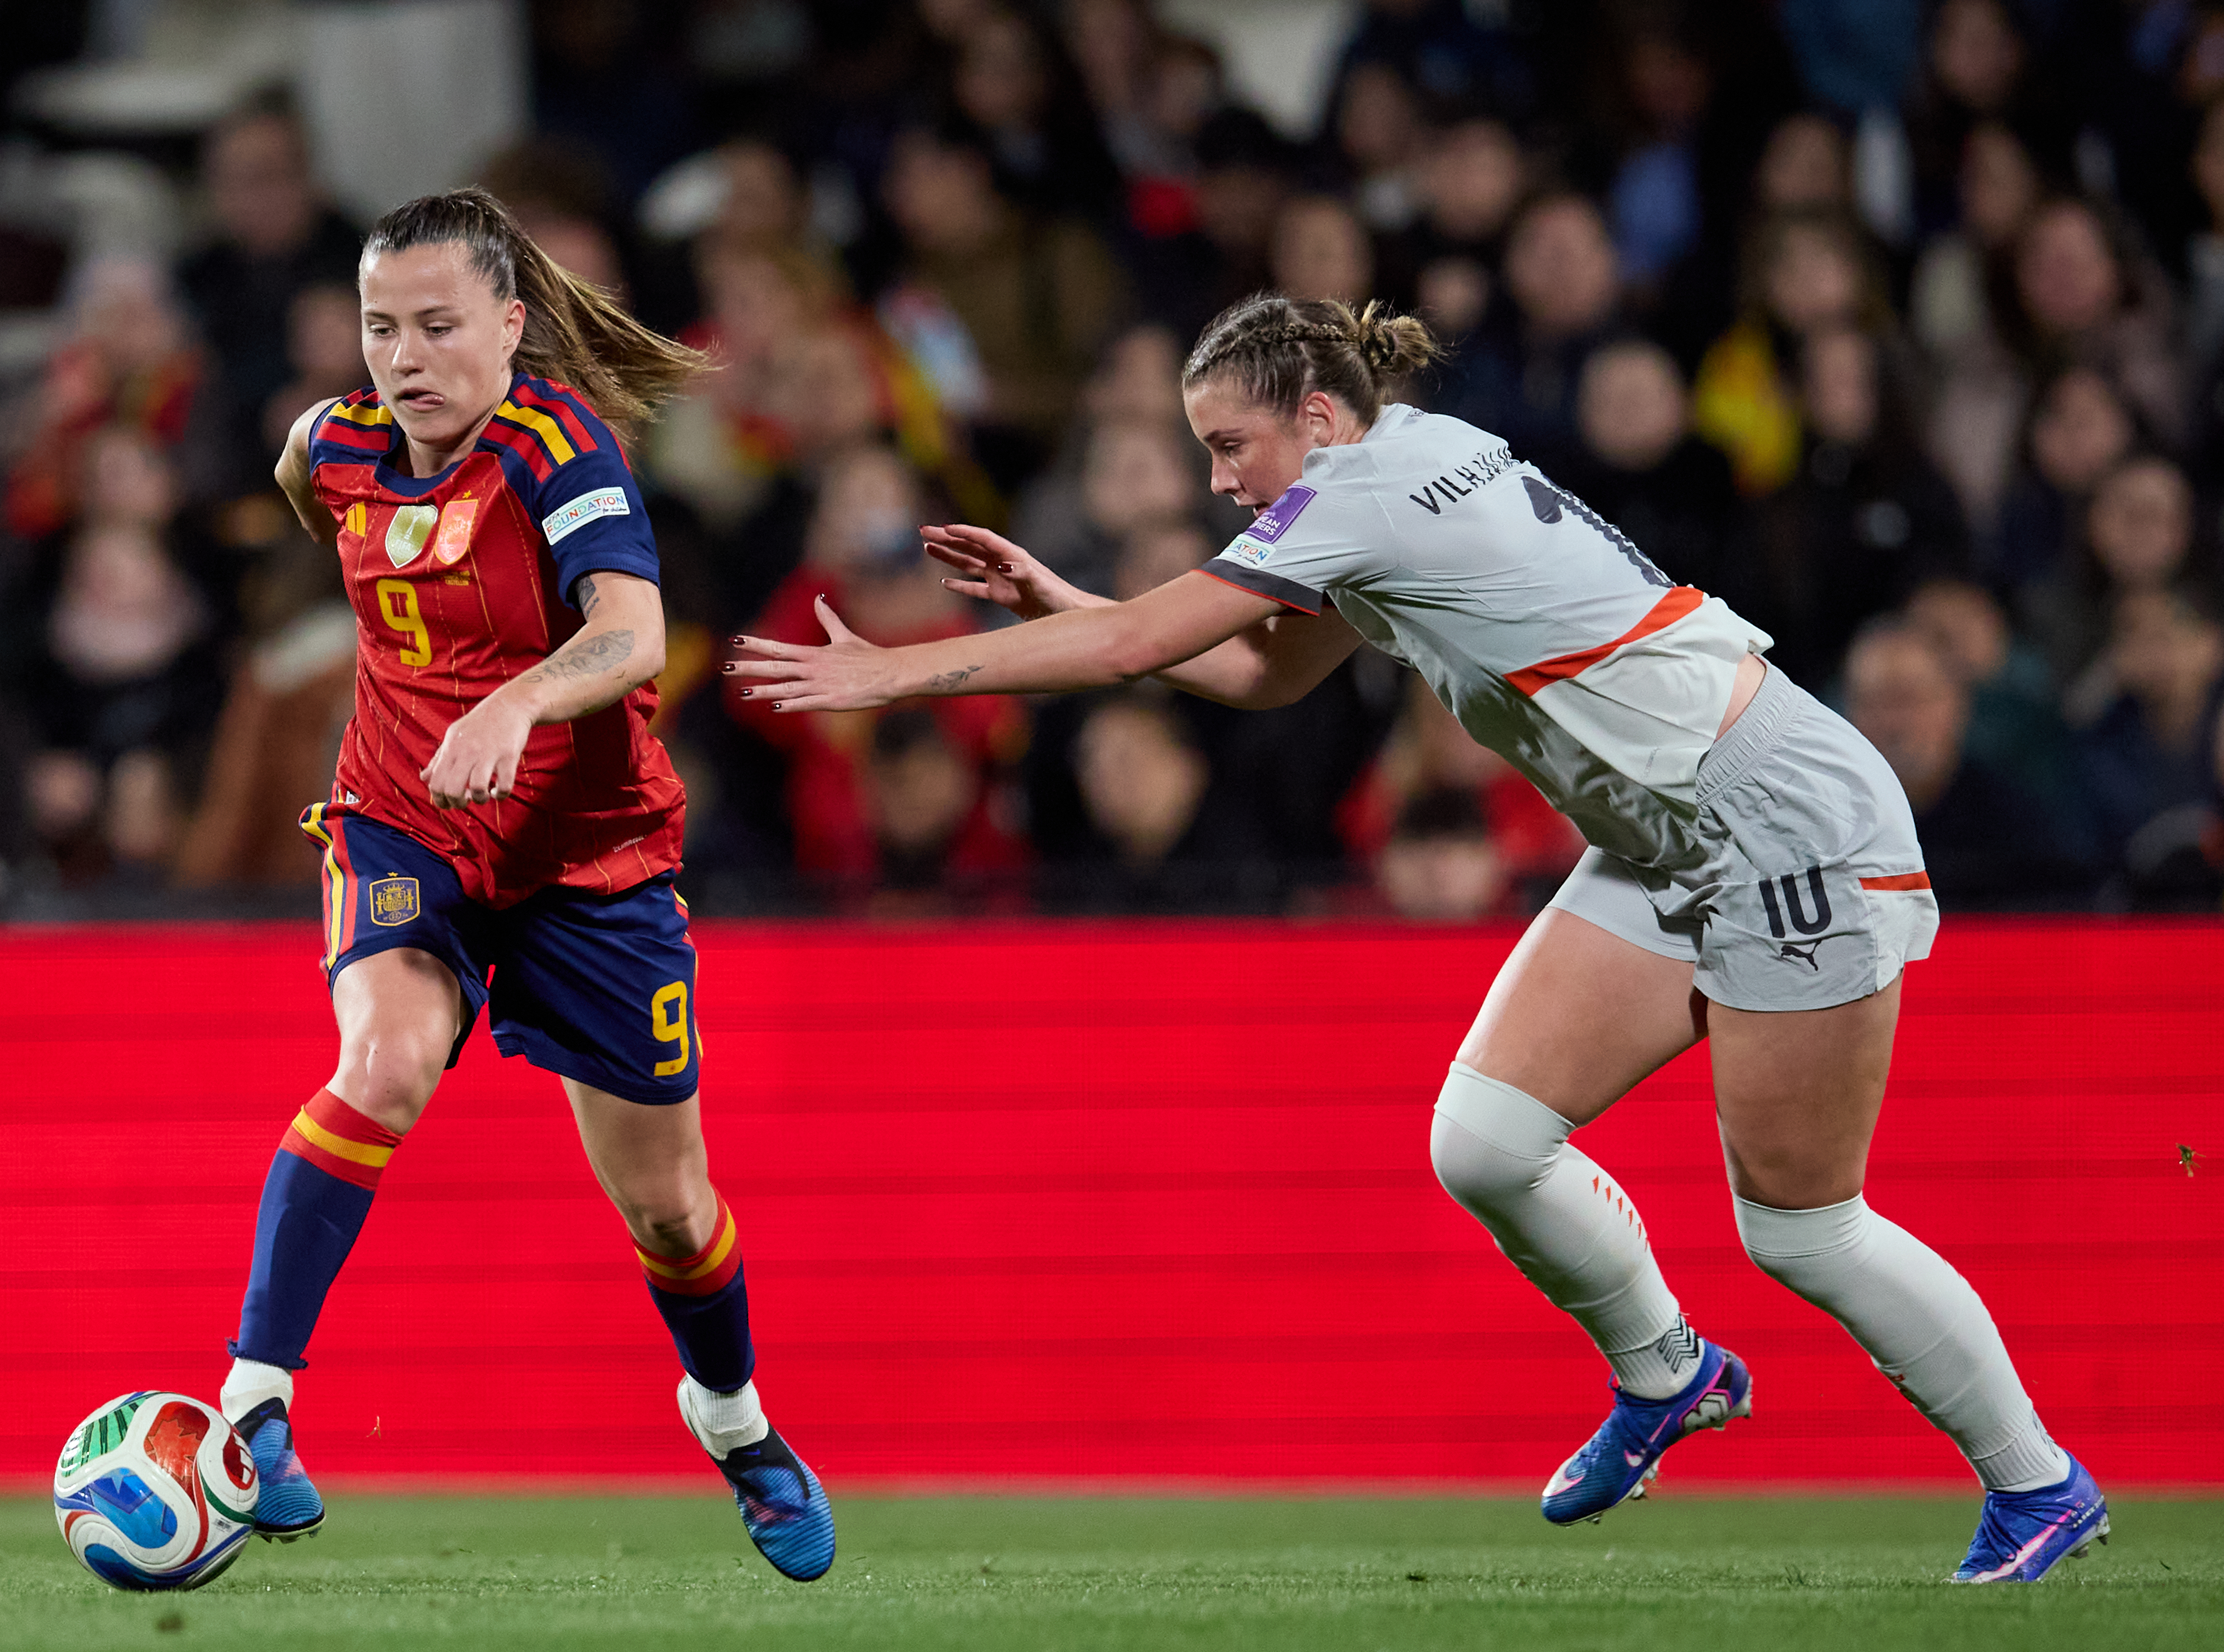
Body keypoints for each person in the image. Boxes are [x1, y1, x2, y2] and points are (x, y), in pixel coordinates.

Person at [731, 292, 2107, 1584]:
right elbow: (1257, 674)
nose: (1218, 480)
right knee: (1487, 1141)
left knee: (1803, 1229)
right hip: (1667, 829)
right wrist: (1060, 600)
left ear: (1318, 420)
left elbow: (1148, 650)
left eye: (1230, 446)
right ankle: (1669, 1375)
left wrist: (893, 673)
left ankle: (2037, 1483)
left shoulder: (1368, 493)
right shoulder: (1403, 466)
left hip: (1779, 819)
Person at [217, 188, 833, 1581]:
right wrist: (430, 703)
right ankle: (257, 1403)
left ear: (508, 325)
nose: (406, 357)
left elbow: (632, 634)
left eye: (439, 325)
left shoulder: (561, 449)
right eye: (383, 328)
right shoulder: (337, 448)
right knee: (385, 1060)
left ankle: (731, 1421)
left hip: (588, 859)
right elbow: (308, 488)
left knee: (669, 1208)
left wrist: (512, 710)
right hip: (404, 823)